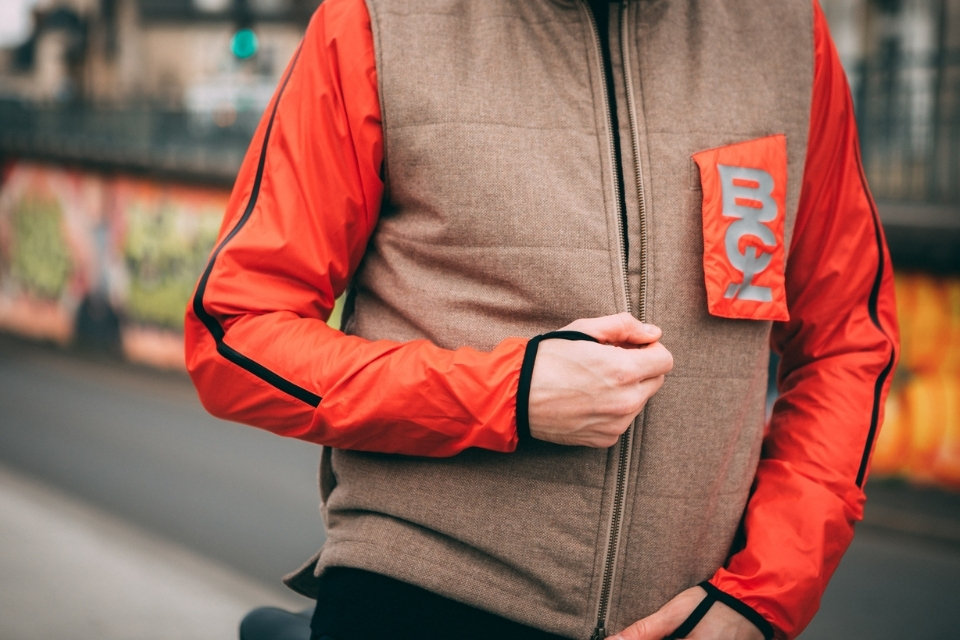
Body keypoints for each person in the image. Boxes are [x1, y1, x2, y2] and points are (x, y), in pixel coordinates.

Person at [184, 0, 899, 638]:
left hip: (697, 615)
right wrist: (509, 393)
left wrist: (761, 599)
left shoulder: (783, 30)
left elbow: (846, 342)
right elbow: (236, 328)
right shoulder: (376, 19)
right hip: (419, 597)